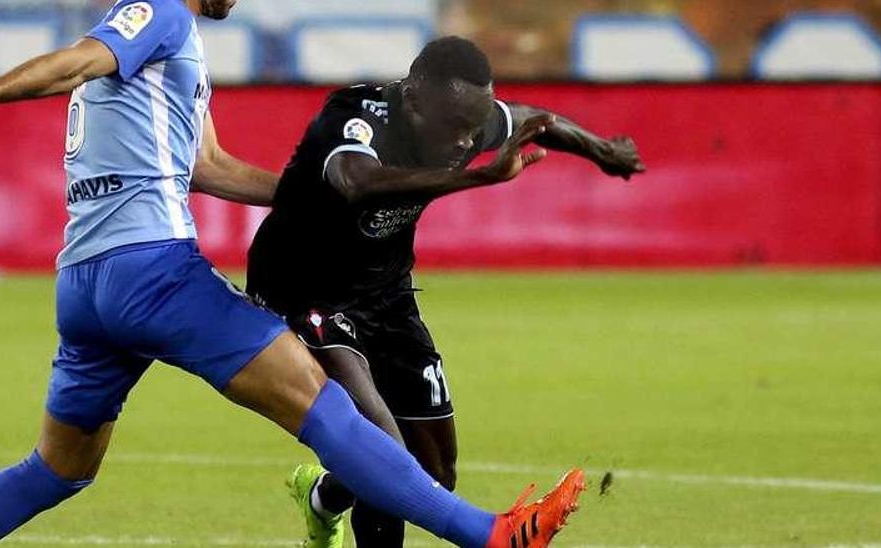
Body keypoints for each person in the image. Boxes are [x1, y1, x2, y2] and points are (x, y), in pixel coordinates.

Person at [0, 1, 585, 545]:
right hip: (154, 275)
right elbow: (79, 61)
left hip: (83, 284)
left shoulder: (168, 52)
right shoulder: (160, 13)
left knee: (57, 469)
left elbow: (208, 167)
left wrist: (311, 200)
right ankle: (492, 535)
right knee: (323, 403)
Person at [247, 36, 645, 548]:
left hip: (385, 294)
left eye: (474, 129)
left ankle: (323, 498)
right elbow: (355, 181)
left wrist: (604, 151)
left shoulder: (464, 118)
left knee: (436, 470)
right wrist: (480, 179)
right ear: (413, 99)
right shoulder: (355, 116)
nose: (464, 142)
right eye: (456, 127)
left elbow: (534, 119)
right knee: (382, 452)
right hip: (305, 290)